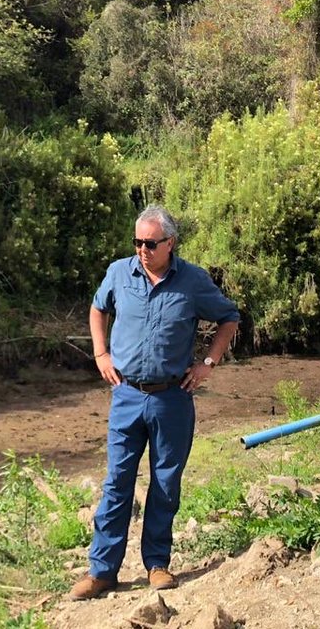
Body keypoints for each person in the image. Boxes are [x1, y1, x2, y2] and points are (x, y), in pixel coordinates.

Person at [68, 205, 240, 601]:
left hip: (172, 399)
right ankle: (102, 571)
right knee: (117, 482)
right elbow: (97, 309)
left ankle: (157, 565)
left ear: (170, 243)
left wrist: (208, 363)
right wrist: (100, 354)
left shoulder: (193, 281)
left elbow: (229, 318)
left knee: (165, 483)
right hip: (127, 395)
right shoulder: (119, 273)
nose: (142, 250)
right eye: (137, 242)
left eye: (150, 243)